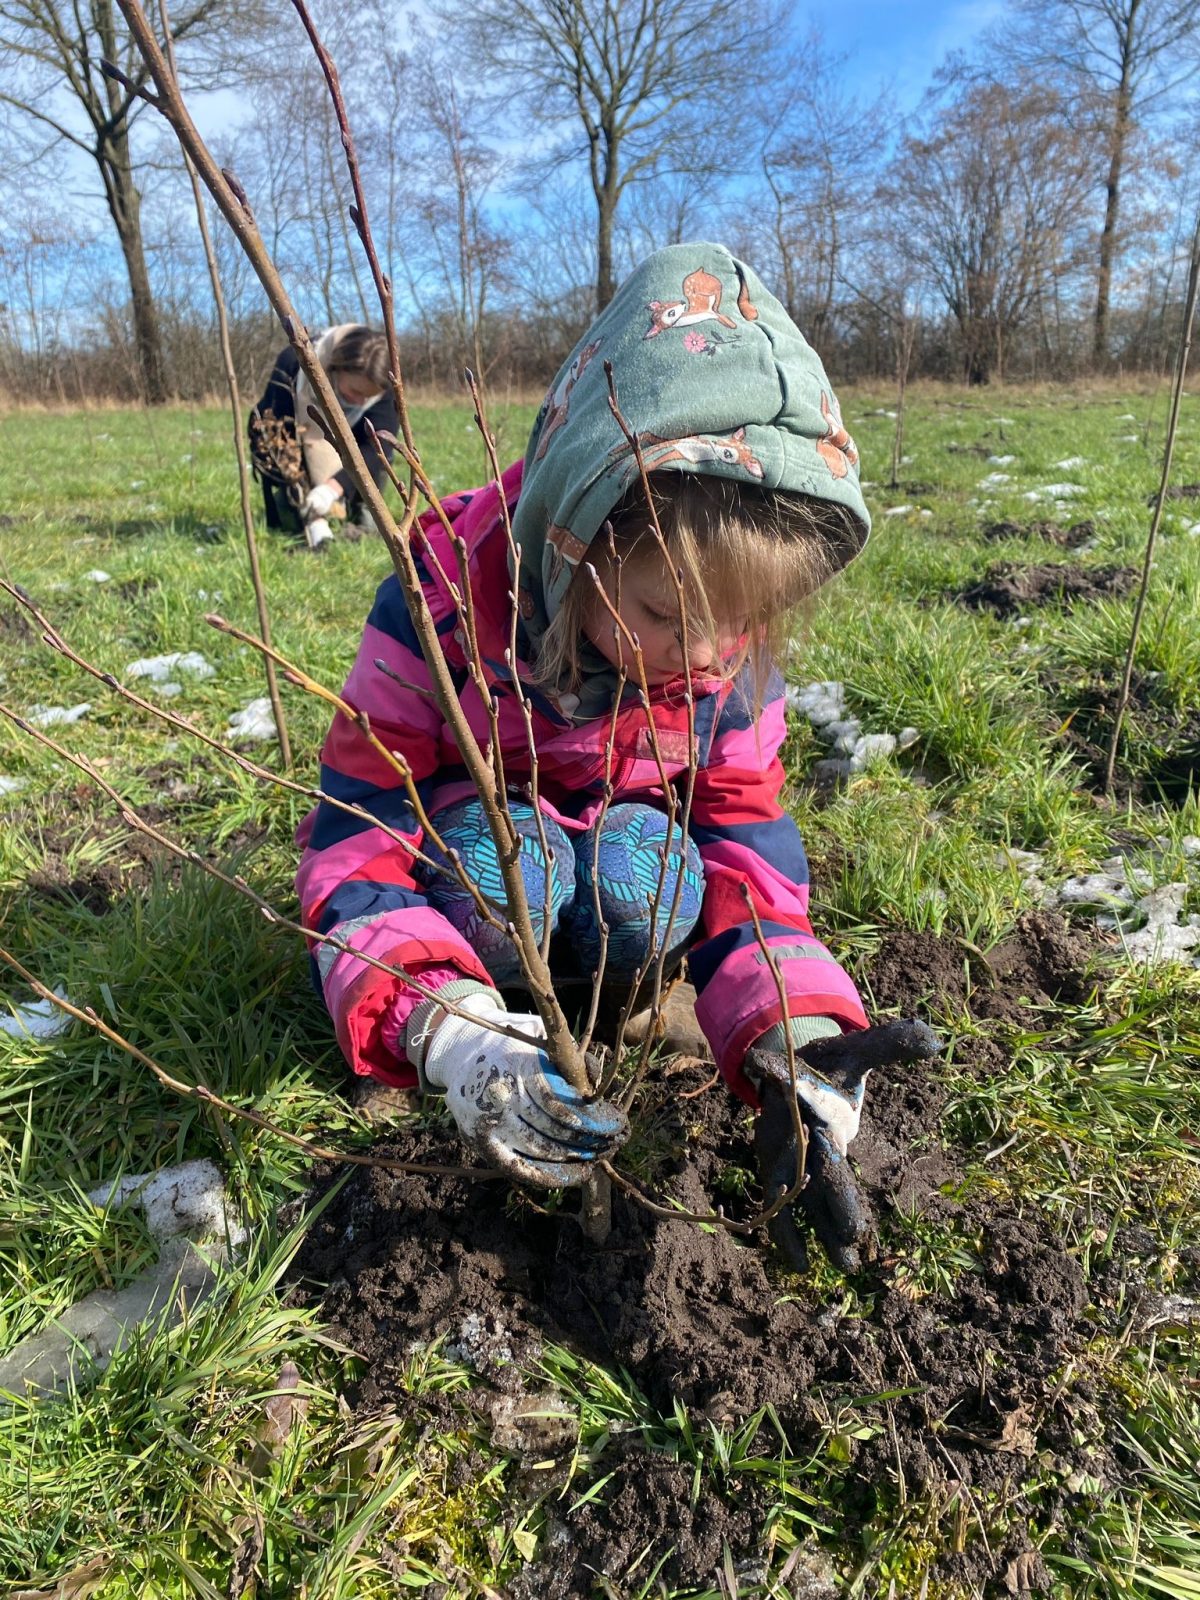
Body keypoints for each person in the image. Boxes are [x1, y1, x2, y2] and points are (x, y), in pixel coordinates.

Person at [295, 244, 938, 1271]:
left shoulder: (725, 661)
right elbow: (358, 832)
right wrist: (447, 1030)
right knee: (509, 877)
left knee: (654, 879)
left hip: (626, 866)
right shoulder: (443, 600)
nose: (708, 654)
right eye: (660, 614)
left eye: (746, 623)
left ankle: (635, 998)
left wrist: (796, 1033)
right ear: (573, 537)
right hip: (482, 870)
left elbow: (745, 848)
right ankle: (505, 999)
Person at [249, 323, 398, 549]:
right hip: (284, 443)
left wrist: (333, 488)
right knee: (289, 525)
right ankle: (302, 515)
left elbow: (377, 449)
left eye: (368, 397)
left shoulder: (385, 381)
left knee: (366, 513)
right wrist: (313, 517)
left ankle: (354, 508)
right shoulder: (293, 365)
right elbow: (282, 441)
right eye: (356, 392)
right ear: (335, 369)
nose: (360, 402)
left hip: (349, 447)